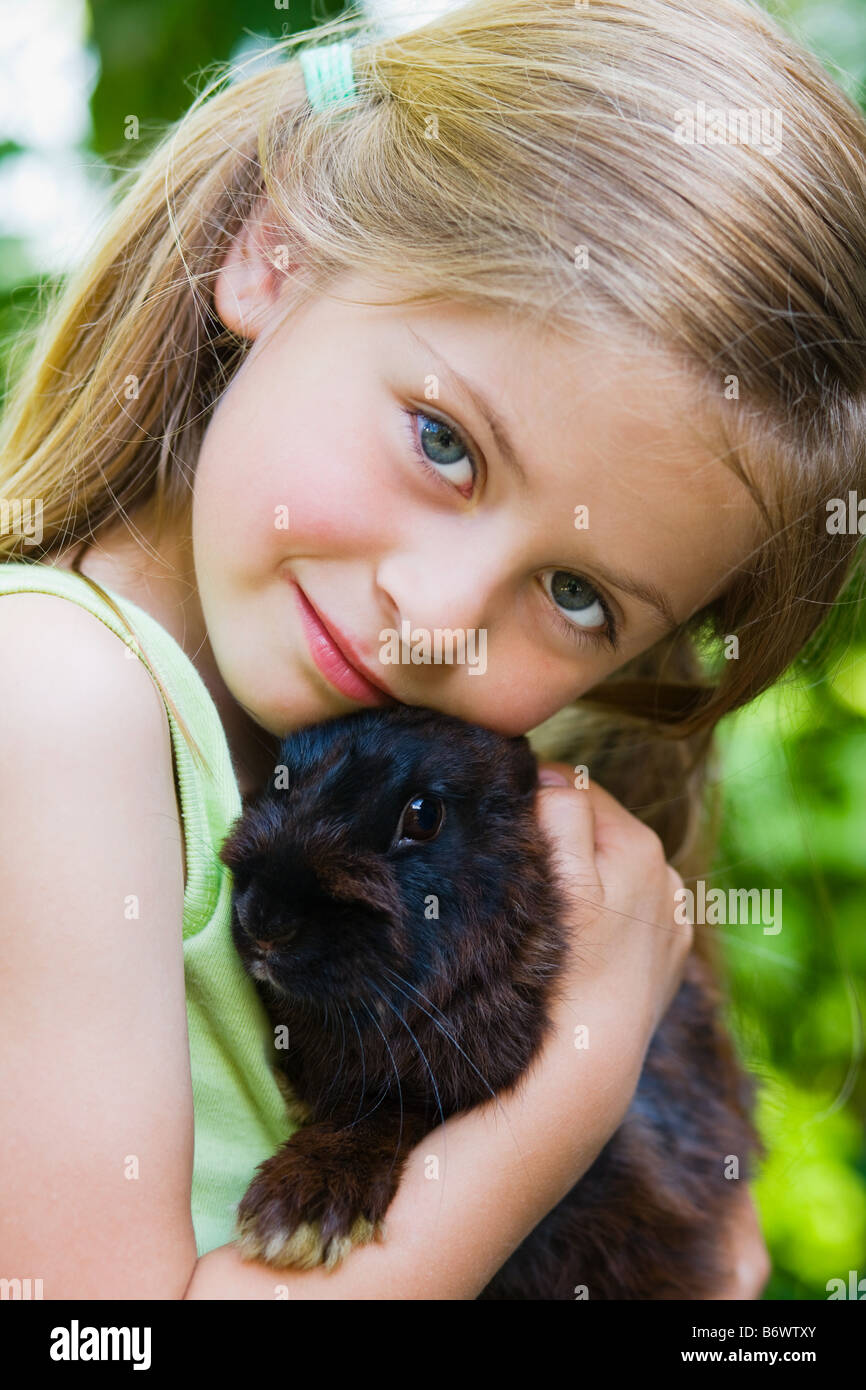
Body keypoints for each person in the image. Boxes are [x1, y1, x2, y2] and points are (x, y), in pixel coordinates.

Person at [2, 0, 862, 1298]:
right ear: (275, 252)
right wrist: (574, 1078)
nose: (438, 614)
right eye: (443, 442)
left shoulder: (429, 816)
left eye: (576, 594)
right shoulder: (54, 702)